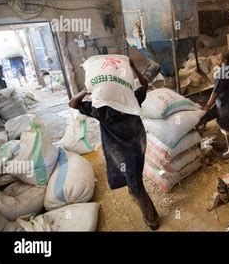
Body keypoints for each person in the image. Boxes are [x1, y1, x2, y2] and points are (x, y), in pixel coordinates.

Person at [69, 58, 160, 230]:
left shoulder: (100, 111)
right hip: (138, 144)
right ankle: (134, 190)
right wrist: (133, 67)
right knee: (134, 175)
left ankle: (152, 219)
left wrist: (85, 91)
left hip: (121, 152)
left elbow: (73, 104)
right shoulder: (131, 101)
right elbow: (144, 87)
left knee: (135, 182)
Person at [203, 52, 229, 158]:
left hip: (225, 104)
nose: (216, 62)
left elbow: (215, 93)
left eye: (219, 60)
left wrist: (207, 106)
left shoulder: (223, 73)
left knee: (227, 127)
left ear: (225, 61)